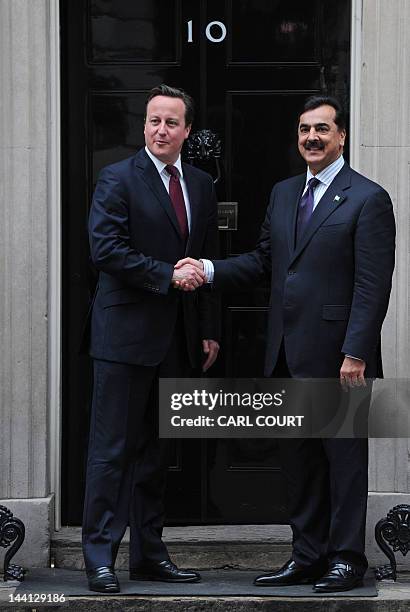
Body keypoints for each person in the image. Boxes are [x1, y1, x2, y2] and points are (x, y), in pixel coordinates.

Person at [175, 96, 395, 592]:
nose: (311, 138)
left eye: (321, 129)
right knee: (299, 463)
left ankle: (346, 560)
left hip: (342, 357)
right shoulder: (283, 193)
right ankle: (307, 555)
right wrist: (208, 269)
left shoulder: (367, 198)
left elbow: (372, 284)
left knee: (342, 463)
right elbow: (263, 262)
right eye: (303, 130)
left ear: (341, 136)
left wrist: (356, 351)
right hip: (287, 352)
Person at [83, 84, 220, 593]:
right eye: (153, 121)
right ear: (144, 126)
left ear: (186, 130)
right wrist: (167, 276)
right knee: (111, 452)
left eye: (171, 122)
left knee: (158, 455)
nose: (161, 130)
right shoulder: (116, 178)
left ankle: (149, 554)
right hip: (123, 338)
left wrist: (208, 329)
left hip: (178, 341)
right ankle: (100, 557)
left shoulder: (201, 185)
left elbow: (204, 258)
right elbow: (106, 250)